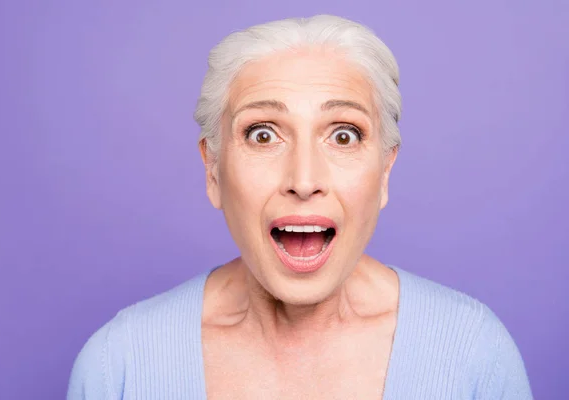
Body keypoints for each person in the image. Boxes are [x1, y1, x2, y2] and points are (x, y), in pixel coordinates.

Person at [67, 14, 533, 399]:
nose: (304, 180)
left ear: (385, 172)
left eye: (343, 134)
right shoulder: (120, 366)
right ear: (213, 170)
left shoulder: (474, 354)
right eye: (263, 134)